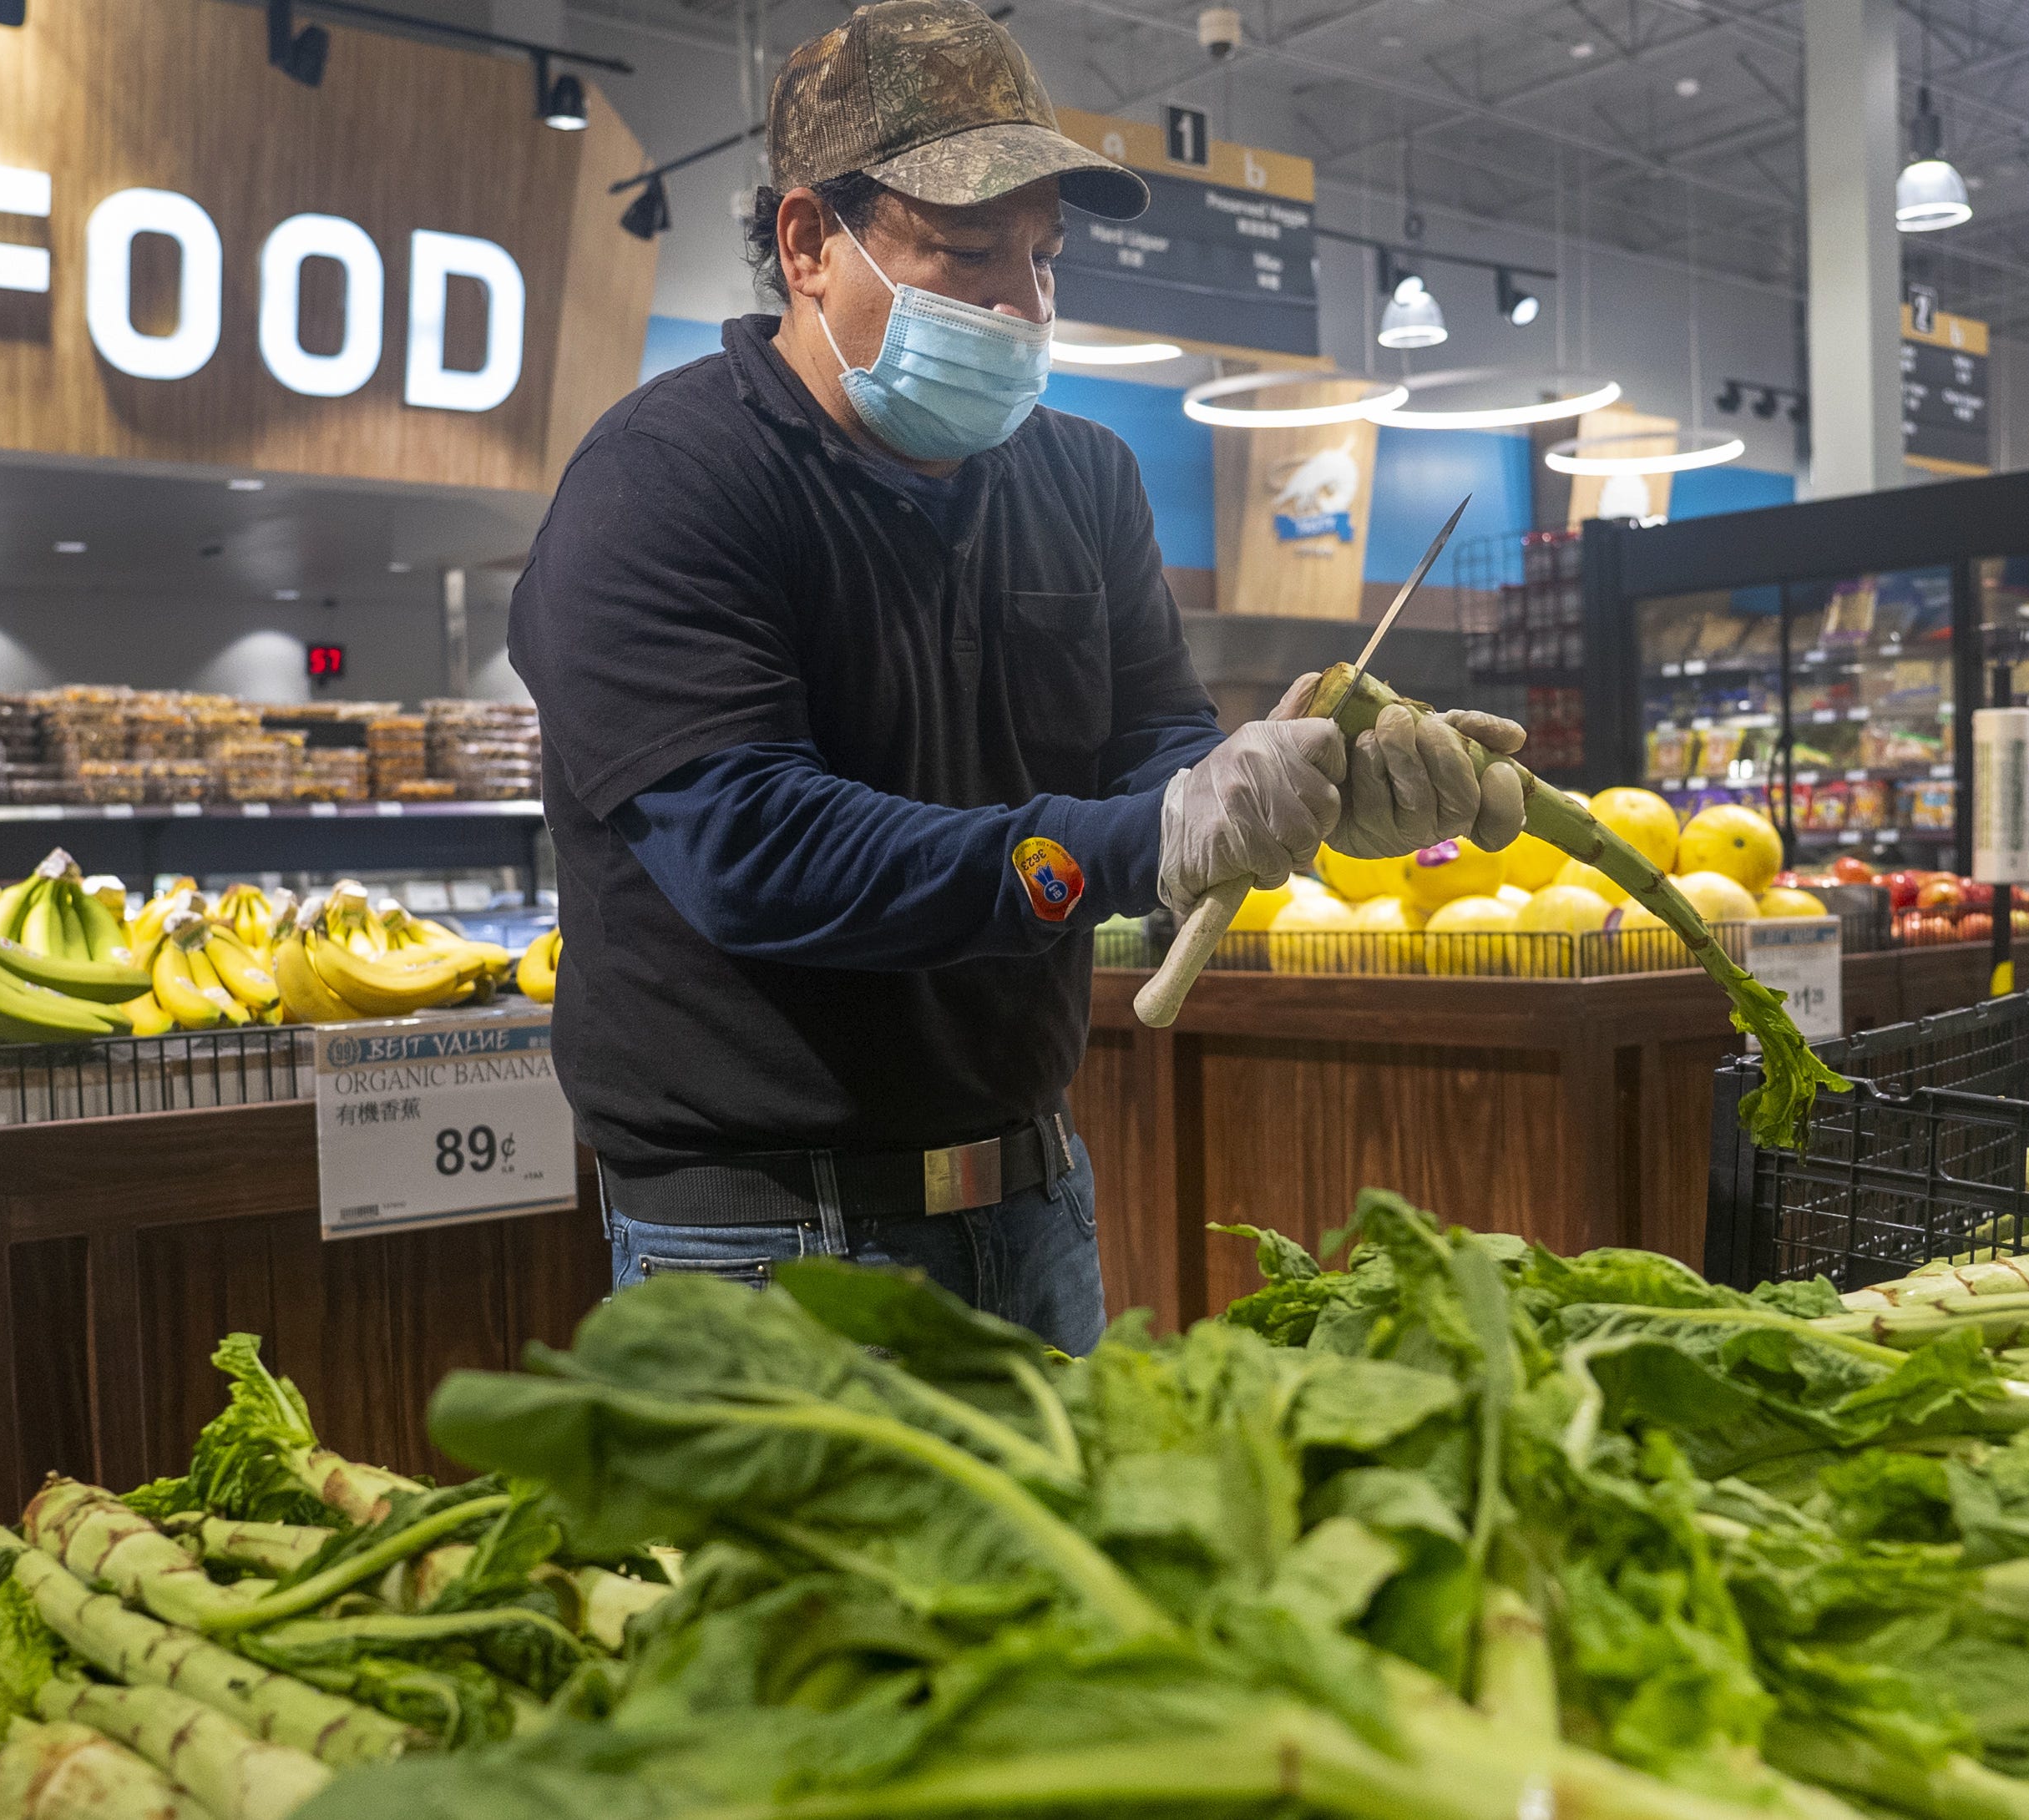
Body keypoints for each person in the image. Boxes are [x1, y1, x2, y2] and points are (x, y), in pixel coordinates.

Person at [508, 0, 1524, 1353]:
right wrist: (1134, 841)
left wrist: (1296, 784)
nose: (1021, 306)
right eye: (971, 252)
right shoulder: (665, 486)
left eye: (1045, 259)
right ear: (811, 243)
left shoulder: (1081, 479)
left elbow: (1155, 745)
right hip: (761, 1245)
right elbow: (750, 846)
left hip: (1036, 1205)